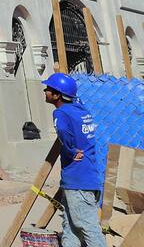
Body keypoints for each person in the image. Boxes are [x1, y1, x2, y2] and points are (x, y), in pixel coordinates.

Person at [42, 72, 107, 247]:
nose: (45, 91)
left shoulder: (60, 113)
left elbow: (63, 132)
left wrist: (70, 150)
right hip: (89, 178)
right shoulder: (81, 110)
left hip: (78, 181)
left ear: (57, 95)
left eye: (49, 89)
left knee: (87, 227)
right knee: (70, 228)